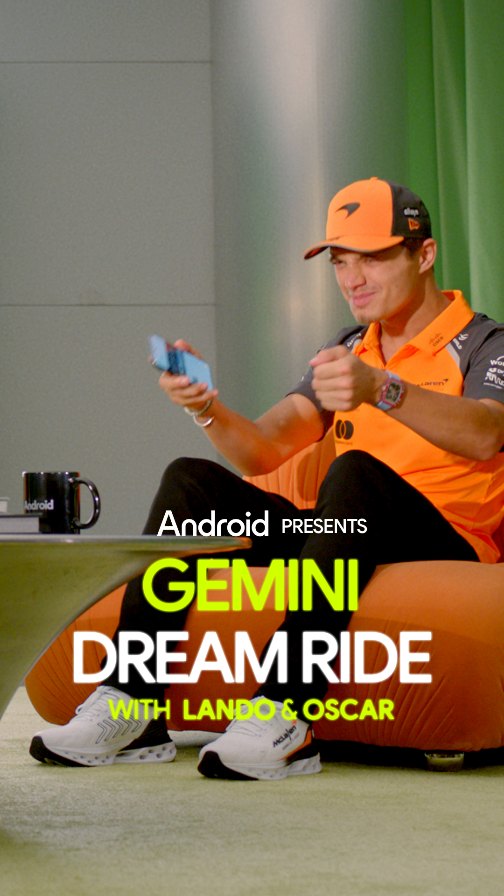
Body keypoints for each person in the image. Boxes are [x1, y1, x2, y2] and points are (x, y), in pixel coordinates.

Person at [30, 177, 504, 779]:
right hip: (343, 532)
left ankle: (285, 710)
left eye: (373, 257)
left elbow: (486, 433)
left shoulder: (483, 342)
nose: (352, 279)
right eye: (340, 262)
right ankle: (131, 701)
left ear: (424, 254)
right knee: (189, 483)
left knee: (355, 472)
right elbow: (263, 450)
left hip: (444, 538)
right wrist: (207, 408)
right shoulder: (350, 346)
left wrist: (381, 389)